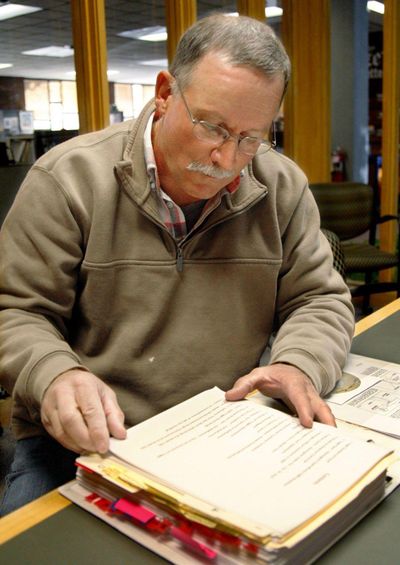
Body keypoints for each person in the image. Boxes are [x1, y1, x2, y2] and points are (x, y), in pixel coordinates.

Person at [0, 14, 354, 515]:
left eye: (252, 138)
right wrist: (53, 374)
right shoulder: (67, 179)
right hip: (88, 441)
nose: (227, 158)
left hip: (228, 427)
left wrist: (297, 363)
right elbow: (16, 312)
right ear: (165, 92)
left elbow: (319, 297)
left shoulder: (281, 185)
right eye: (213, 126)